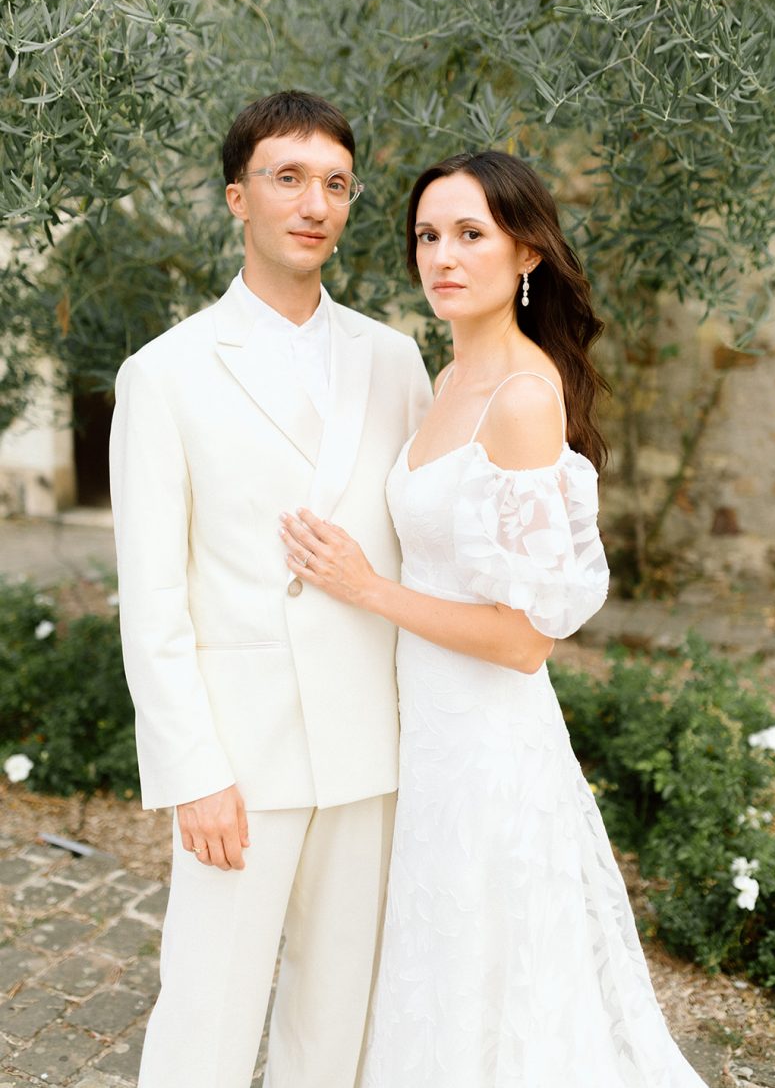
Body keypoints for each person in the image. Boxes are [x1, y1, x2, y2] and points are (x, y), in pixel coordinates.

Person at [281, 150, 709, 1087]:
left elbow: (525, 642)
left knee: (495, 976)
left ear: (527, 254)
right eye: (428, 235)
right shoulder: (446, 379)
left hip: (486, 741)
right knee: (441, 968)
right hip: (427, 730)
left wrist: (368, 589)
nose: (443, 255)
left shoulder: (519, 399)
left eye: (471, 234)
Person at [108, 90, 432, 1088]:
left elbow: (419, 545)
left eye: (335, 183)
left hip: (370, 750)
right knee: (206, 1015)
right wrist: (192, 770)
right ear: (236, 198)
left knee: (335, 1020)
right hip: (241, 756)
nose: (315, 203)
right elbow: (153, 598)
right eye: (287, 178)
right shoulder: (166, 375)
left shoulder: (394, 357)